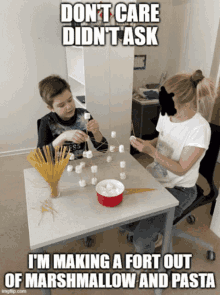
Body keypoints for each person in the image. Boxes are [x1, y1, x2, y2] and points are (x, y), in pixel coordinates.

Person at [123, 69, 217, 254]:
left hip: (180, 188)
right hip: (157, 176)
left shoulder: (199, 129)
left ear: (186, 104)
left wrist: (151, 152)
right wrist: (148, 143)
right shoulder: (167, 113)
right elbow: (161, 137)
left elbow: (182, 169)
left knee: (141, 240)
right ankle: (155, 232)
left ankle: (148, 249)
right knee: (122, 215)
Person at [37, 75, 108, 157]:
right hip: (59, 167)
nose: (69, 106)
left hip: (83, 165)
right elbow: (40, 156)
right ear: (51, 108)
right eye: (61, 105)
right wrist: (63, 137)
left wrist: (96, 132)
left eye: (70, 100)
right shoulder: (46, 122)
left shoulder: (83, 115)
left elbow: (104, 149)